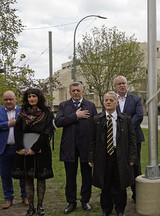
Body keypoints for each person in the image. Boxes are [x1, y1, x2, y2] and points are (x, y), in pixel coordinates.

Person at [89, 91, 136, 216]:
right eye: (106, 100)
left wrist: (132, 157)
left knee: (120, 183)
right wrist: (91, 157)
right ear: (103, 102)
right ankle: (106, 209)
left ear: (116, 102)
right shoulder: (97, 120)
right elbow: (92, 140)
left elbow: (132, 140)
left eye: (111, 100)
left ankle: (120, 209)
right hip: (103, 158)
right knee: (105, 184)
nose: (108, 102)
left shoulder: (125, 119)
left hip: (120, 156)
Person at [55, 81, 97, 214]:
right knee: (70, 176)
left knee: (87, 176)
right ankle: (71, 202)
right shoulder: (63, 105)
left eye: (78, 90)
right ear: (70, 92)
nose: (76, 92)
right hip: (69, 147)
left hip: (86, 146)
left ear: (82, 91)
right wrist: (75, 116)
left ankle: (85, 201)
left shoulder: (90, 105)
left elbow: (96, 124)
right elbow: (58, 122)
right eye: (73, 90)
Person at [12, 88, 54, 216]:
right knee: (28, 179)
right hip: (25, 151)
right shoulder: (22, 112)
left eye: (34, 96)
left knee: (41, 178)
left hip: (41, 150)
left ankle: (40, 206)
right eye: (29, 96)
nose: (31, 99)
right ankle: (30, 207)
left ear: (39, 97)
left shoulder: (47, 112)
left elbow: (47, 131)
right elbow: (17, 131)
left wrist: (35, 148)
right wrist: (20, 147)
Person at [113, 75, 144, 203]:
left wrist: (125, 128)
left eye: (124, 83)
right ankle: (119, 194)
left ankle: (137, 194)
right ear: (115, 86)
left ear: (127, 85)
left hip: (134, 139)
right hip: (115, 140)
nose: (122, 85)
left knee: (135, 166)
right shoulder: (111, 99)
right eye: (119, 83)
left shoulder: (135, 99)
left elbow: (139, 115)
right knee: (118, 166)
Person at [0, 91, 28, 209]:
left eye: (10, 99)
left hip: (20, 148)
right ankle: (8, 198)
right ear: (3, 100)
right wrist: (7, 124)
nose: (8, 101)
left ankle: (25, 196)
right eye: (6, 99)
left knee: (23, 174)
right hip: (4, 149)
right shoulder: (0, 111)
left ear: (15, 99)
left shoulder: (22, 111)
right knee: (5, 174)